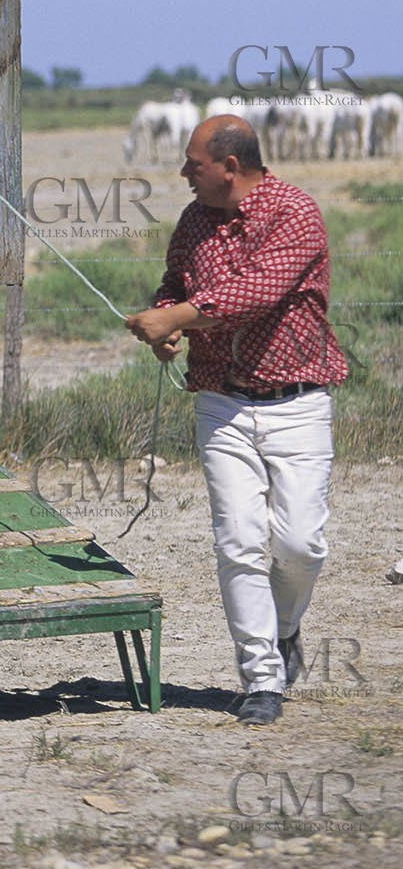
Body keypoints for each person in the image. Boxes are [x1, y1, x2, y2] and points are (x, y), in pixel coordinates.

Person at [125, 116, 348, 725]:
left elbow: (259, 291)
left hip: (299, 402)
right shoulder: (195, 220)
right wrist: (166, 318)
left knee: (301, 544)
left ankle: (285, 629)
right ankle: (261, 679)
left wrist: (179, 318)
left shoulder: (294, 213)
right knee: (239, 541)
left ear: (230, 165)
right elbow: (176, 282)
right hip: (221, 402)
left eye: (193, 164)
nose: (183, 173)